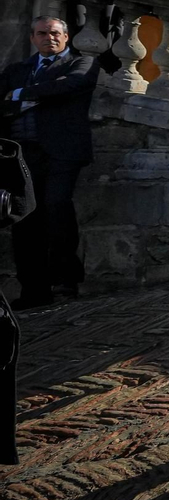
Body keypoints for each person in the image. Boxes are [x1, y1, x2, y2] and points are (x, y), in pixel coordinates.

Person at [0, 17, 98, 309]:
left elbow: (69, 87)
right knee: (23, 219)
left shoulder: (82, 64)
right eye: (42, 33)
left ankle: (64, 282)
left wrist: (20, 94)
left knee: (57, 208)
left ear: (66, 37)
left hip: (62, 152)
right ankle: (33, 289)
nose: (49, 38)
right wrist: (43, 93)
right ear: (33, 38)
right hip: (20, 155)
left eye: (55, 33)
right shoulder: (17, 70)